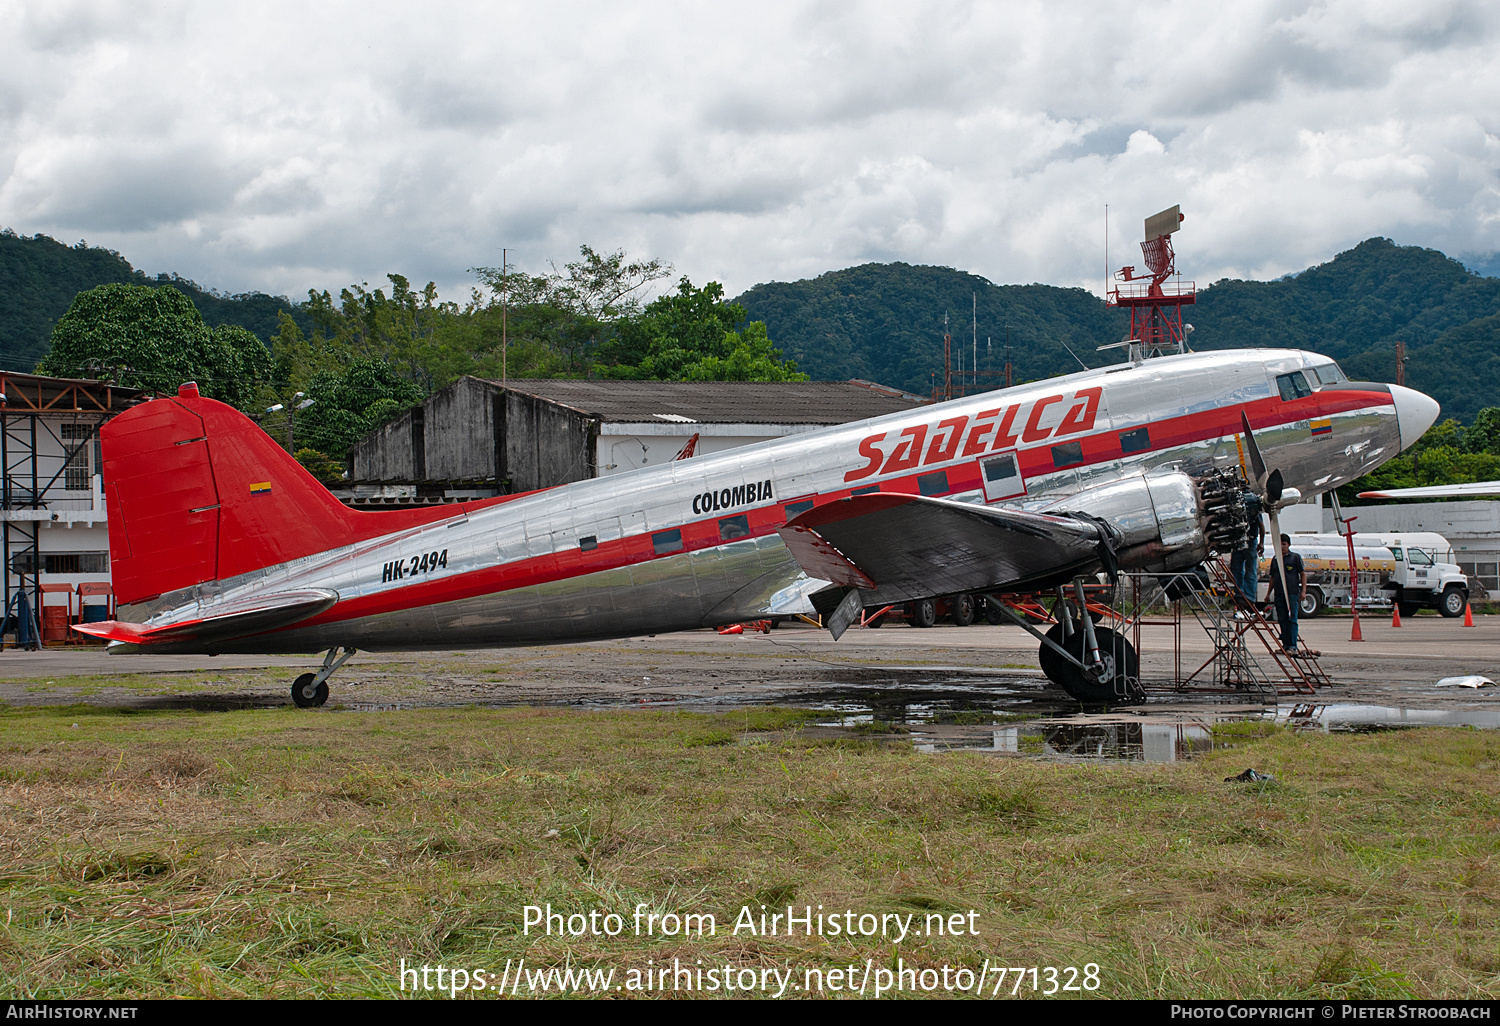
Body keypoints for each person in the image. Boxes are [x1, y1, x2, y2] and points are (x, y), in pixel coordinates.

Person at [1268, 533, 1319, 656]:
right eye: (1279, 544)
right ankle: (1285, 645)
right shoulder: (1275, 560)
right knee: (1282, 619)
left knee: (1292, 619)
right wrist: (1268, 593)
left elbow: (1302, 574)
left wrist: (1303, 591)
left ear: (1289, 545)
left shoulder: (1295, 558)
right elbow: (1273, 578)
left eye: (1284, 544)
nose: (1282, 547)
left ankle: (1292, 646)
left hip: (1291, 593)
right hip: (1279, 594)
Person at [1229, 493, 1264, 608]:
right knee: (1248, 568)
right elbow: (1261, 527)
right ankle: (1247, 595)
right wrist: (1261, 543)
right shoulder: (1254, 509)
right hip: (1248, 540)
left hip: (1241, 541)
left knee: (1240, 568)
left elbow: (1261, 527)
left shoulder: (1239, 509)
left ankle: (1242, 593)